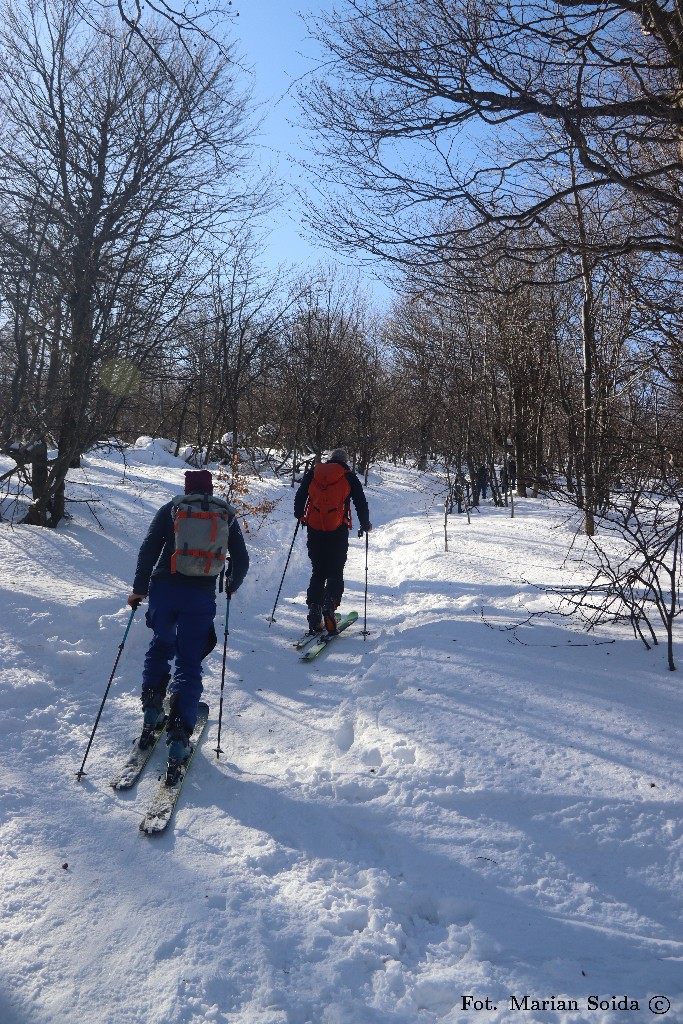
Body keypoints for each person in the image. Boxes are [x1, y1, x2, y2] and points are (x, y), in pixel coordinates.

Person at [127, 469, 249, 766]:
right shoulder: (225, 515)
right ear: (209, 489)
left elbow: (148, 549)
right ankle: (179, 738)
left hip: (164, 591)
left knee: (160, 645)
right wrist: (231, 585)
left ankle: (152, 711)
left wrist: (139, 589)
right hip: (200, 597)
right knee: (188, 661)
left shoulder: (171, 509)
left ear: (187, 487)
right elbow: (242, 559)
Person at [294, 448, 372, 634]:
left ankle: (314, 608)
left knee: (318, 570)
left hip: (314, 528)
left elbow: (300, 496)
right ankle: (330, 605)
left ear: (330, 460)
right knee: (335, 570)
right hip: (338, 529)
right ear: (345, 461)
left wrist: (300, 516)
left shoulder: (314, 472)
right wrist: (365, 523)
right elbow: (360, 501)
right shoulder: (348, 475)